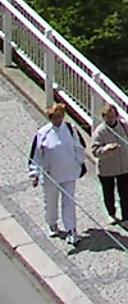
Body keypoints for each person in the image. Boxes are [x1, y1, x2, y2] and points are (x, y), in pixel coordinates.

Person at [26, 101, 87, 241]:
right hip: (51, 175)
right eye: (55, 116)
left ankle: (71, 229)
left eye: (60, 116)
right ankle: (52, 224)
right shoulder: (42, 133)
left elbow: (79, 147)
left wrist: (79, 163)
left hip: (69, 173)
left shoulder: (71, 129)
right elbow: (36, 154)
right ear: (50, 117)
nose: (58, 119)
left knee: (69, 202)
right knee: (51, 201)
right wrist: (34, 174)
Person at [89, 105, 128, 227]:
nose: (111, 119)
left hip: (125, 166)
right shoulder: (100, 131)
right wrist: (106, 149)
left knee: (125, 193)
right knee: (108, 192)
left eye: (113, 116)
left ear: (117, 116)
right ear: (103, 117)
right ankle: (111, 213)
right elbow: (95, 151)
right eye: (108, 117)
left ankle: (126, 218)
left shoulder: (125, 127)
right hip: (107, 168)